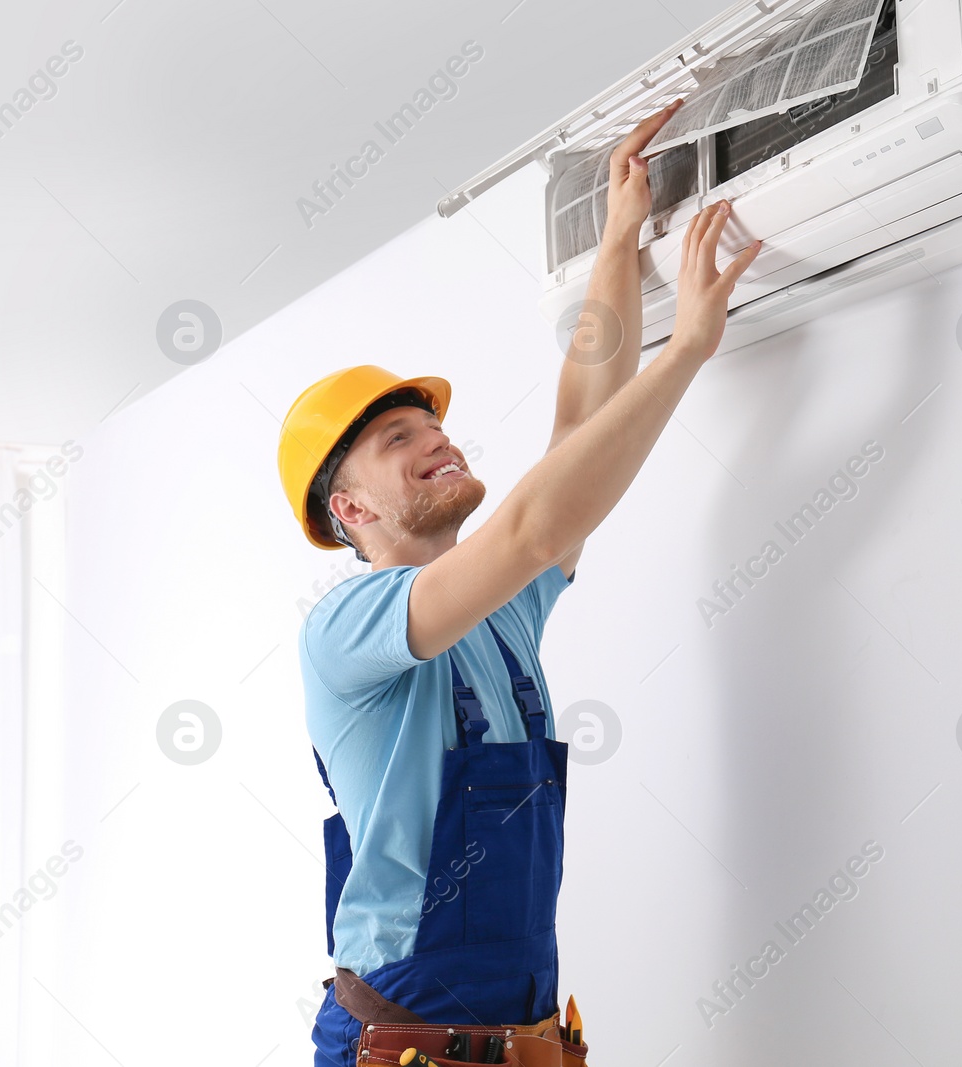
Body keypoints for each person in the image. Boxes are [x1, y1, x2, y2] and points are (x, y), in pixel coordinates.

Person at [274, 98, 762, 1066]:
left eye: (434, 425)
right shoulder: (346, 629)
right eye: (397, 438)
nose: (438, 439)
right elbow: (537, 520)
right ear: (351, 512)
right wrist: (688, 348)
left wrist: (619, 238)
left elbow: (577, 437)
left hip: (525, 1038)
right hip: (401, 1043)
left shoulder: (499, 613)